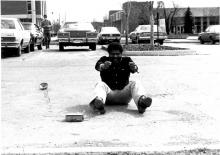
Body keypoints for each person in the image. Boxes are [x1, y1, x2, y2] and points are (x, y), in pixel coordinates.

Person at [90, 42, 152, 114]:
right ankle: (99, 104)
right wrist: (103, 66)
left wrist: (134, 68)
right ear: (109, 54)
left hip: (124, 96)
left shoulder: (127, 60)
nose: (115, 56)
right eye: (113, 54)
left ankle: (142, 102)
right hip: (108, 96)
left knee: (135, 82)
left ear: (121, 54)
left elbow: (135, 68)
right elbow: (98, 66)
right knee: (100, 84)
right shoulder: (104, 60)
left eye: (118, 54)